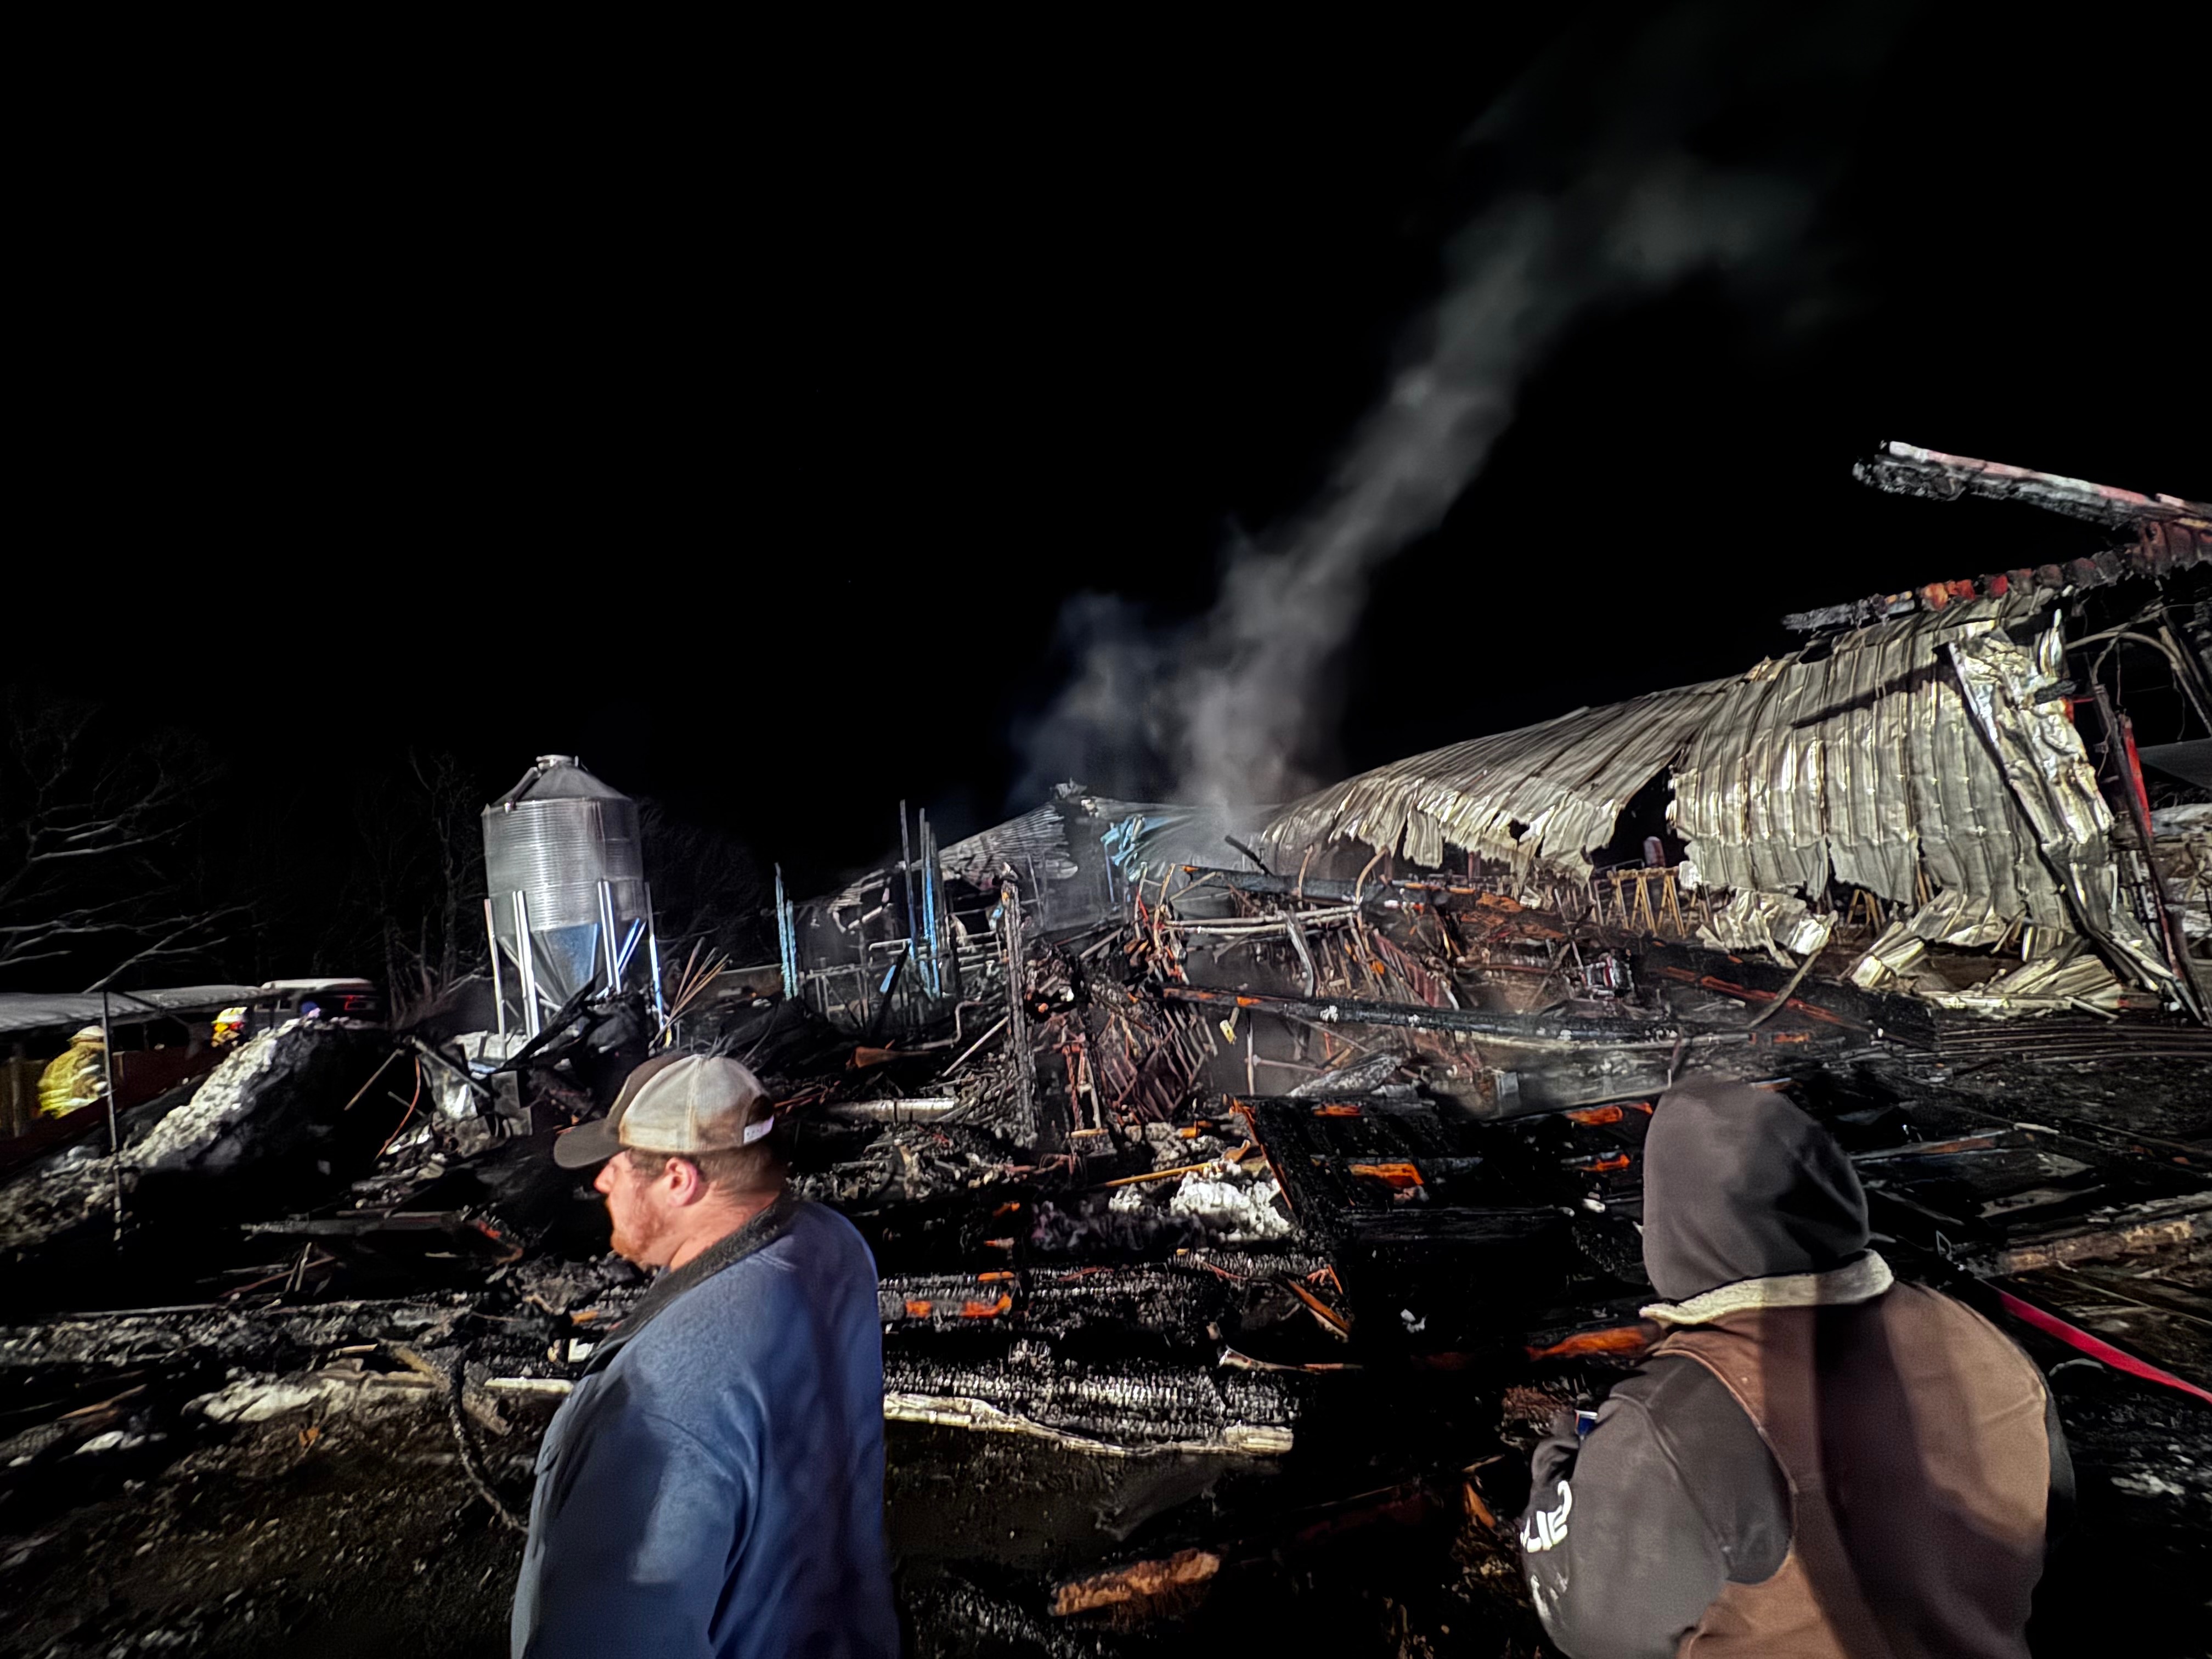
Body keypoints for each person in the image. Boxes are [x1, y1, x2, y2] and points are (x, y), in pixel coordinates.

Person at [1520, 1077, 2070, 1658]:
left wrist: (1559, 1470)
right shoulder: (1979, 1336)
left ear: (1672, 1227)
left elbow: (1590, 1627)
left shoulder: (1678, 1411)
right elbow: (2051, 1532)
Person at [510, 1054, 898, 1659]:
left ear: (678, 1180)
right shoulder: (834, 1244)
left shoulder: (663, 1402)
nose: (602, 1182)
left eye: (618, 1164)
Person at [37, 1025, 107, 1118]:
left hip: (56, 1115)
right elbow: (99, 1088)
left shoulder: (55, 1063)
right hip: (81, 1113)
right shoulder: (91, 1055)